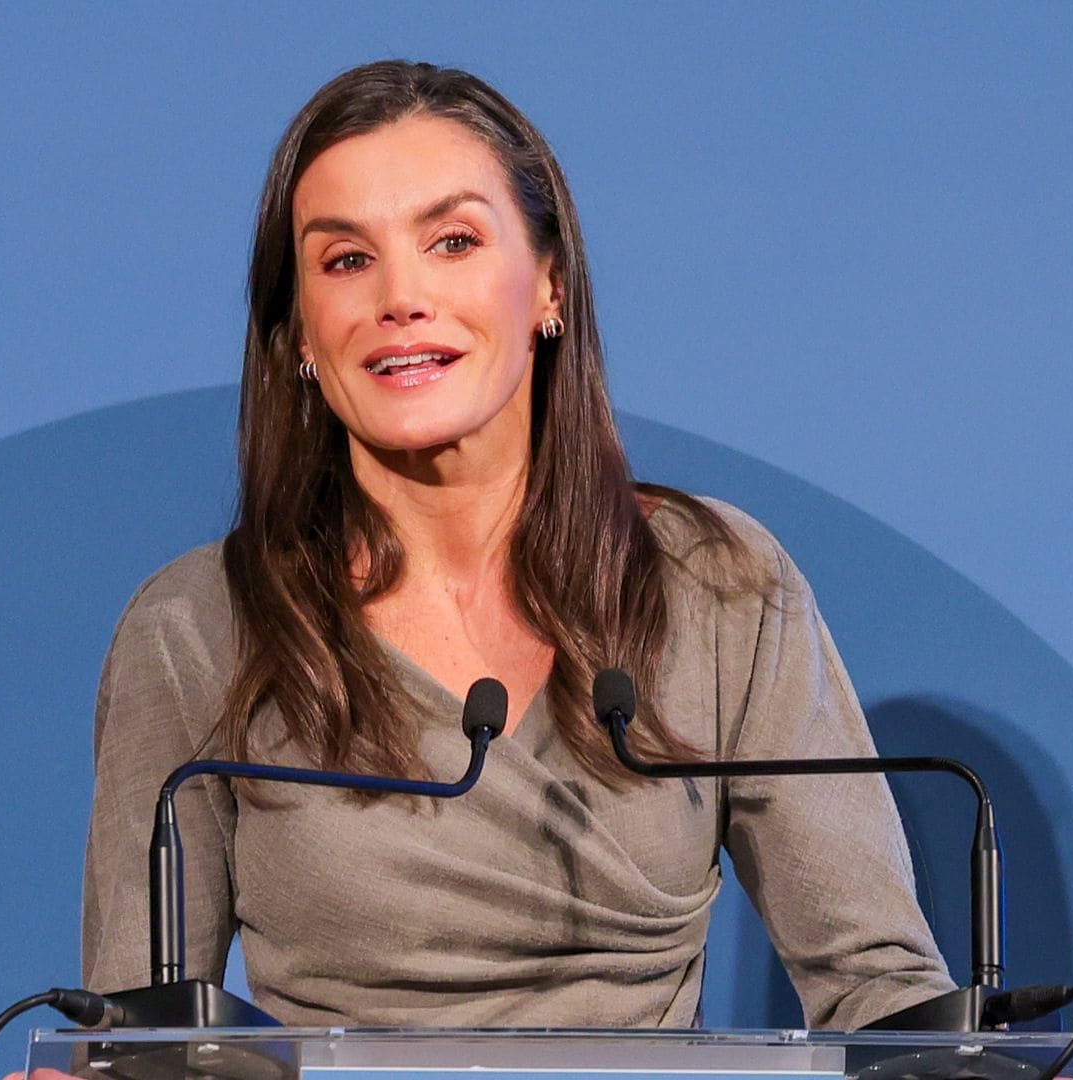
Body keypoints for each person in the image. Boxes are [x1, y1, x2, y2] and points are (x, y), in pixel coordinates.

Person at [79, 57, 953, 1044]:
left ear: (549, 285)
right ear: (301, 335)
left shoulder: (719, 587)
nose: (402, 296)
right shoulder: (196, 628)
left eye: (452, 242)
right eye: (347, 260)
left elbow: (877, 981)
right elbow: (140, 1032)